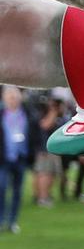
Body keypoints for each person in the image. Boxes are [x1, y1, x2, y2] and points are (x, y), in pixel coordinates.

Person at [0, 85, 39, 233]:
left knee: (17, 191)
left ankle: (12, 221)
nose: (13, 99)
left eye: (15, 97)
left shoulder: (28, 114)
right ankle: (1, 219)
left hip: (21, 158)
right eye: (10, 97)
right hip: (3, 158)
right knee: (1, 188)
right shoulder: (1, 114)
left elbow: (36, 133)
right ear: (4, 98)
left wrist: (38, 150)